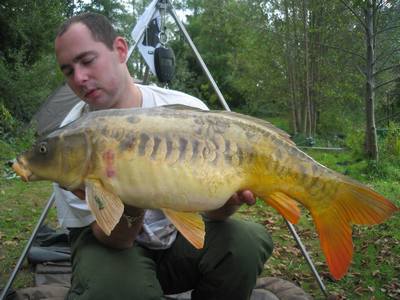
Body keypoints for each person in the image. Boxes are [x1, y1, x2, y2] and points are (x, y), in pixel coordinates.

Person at [53, 12, 273, 300]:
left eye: (87, 60)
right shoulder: (67, 142)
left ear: (120, 50)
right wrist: (130, 193)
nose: (79, 78)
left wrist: (226, 204)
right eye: (68, 71)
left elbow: (210, 212)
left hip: (176, 238)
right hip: (112, 244)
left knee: (245, 241)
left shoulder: (184, 109)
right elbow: (115, 239)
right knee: (115, 287)